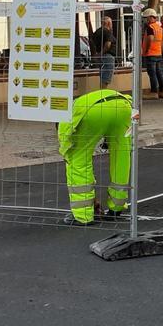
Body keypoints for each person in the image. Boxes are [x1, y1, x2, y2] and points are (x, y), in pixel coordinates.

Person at [58, 89, 132, 225]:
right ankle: (117, 207)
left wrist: (67, 152)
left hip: (93, 112)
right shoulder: (78, 102)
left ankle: (83, 214)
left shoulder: (66, 119)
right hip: (123, 105)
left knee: (78, 160)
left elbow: (67, 148)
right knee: (122, 157)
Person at [141, 8, 163, 100]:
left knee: (152, 74)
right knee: (159, 73)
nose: (145, 20)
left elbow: (150, 39)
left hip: (151, 53)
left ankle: (154, 92)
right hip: (158, 53)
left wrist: (146, 50)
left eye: (146, 18)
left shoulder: (150, 27)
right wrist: (159, 49)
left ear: (151, 17)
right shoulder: (159, 28)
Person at [90, 16, 117, 88]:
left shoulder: (97, 32)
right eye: (111, 23)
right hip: (108, 57)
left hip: (101, 57)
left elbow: (92, 42)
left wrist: (96, 54)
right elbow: (108, 45)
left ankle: (102, 92)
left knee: (103, 76)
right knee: (106, 79)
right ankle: (103, 95)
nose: (111, 26)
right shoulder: (107, 31)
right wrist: (101, 53)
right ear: (108, 23)